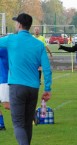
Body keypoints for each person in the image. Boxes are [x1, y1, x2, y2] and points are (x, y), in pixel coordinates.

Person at [0, 13, 52, 145]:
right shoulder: (39, 44)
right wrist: (47, 88)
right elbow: (46, 68)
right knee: (27, 123)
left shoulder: (11, 39)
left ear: (19, 25)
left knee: (18, 124)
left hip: (17, 86)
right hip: (33, 87)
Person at [0, 47, 9, 130]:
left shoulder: (3, 49)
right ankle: (1, 124)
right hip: (2, 80)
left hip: (4, 81)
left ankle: (29, 113)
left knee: (6, 106)